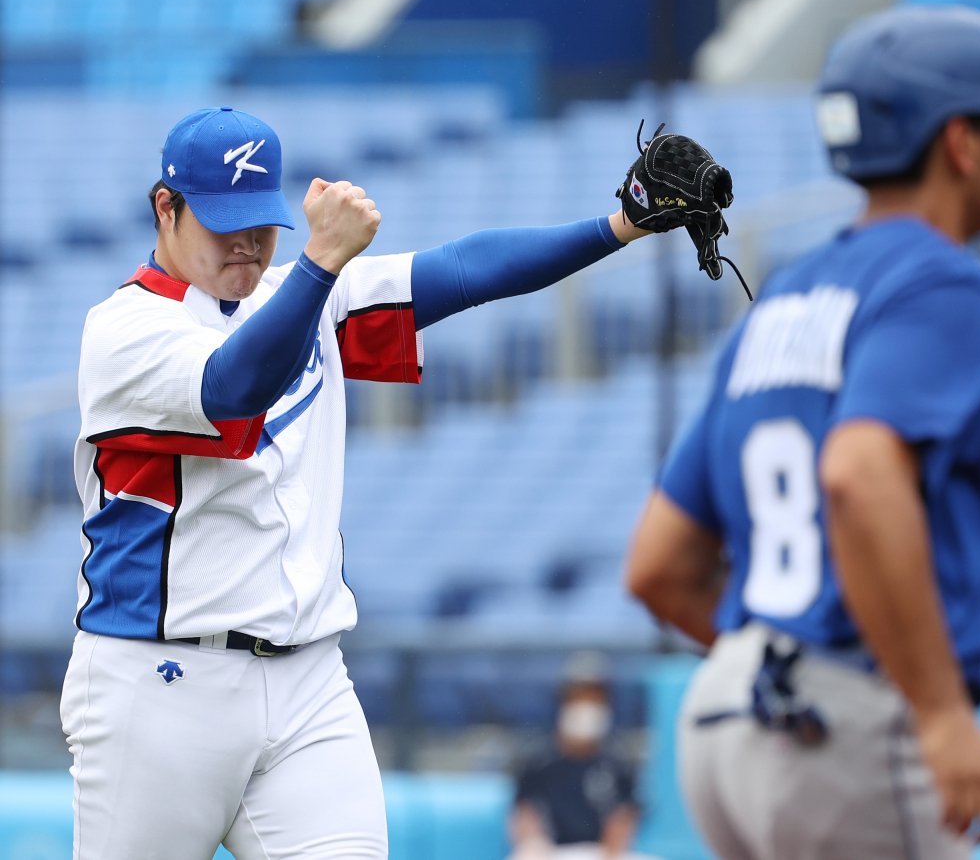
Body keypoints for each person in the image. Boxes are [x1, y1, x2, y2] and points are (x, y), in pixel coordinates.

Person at [60, 106, 723, 859]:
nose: (246, 242)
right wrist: (317, 265)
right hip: (160, 682)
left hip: (308, 677)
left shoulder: (300, 293)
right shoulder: (124, 330)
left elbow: (467, 270)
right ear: (166, 208)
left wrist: (619, 226)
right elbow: (238, 384)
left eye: (259, 221)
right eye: (222, 223)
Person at [625, 5, 980, 859]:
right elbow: (857, 473)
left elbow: (658, 568)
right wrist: (938, 709)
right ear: (959, 143)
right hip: (840, 718)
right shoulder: (940, 283)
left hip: (726, 713)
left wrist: (765, 656)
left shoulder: (785, 296)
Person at [509, 652, 644, 860]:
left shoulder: (618, 763)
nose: (587, 706)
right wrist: (535, 846)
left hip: (602, 853)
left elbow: (623, 818)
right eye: (580, 698)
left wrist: (607, 855)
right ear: (564, 703)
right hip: (552, 853)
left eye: (595, 700)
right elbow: (526, 816)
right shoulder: (538, 762)